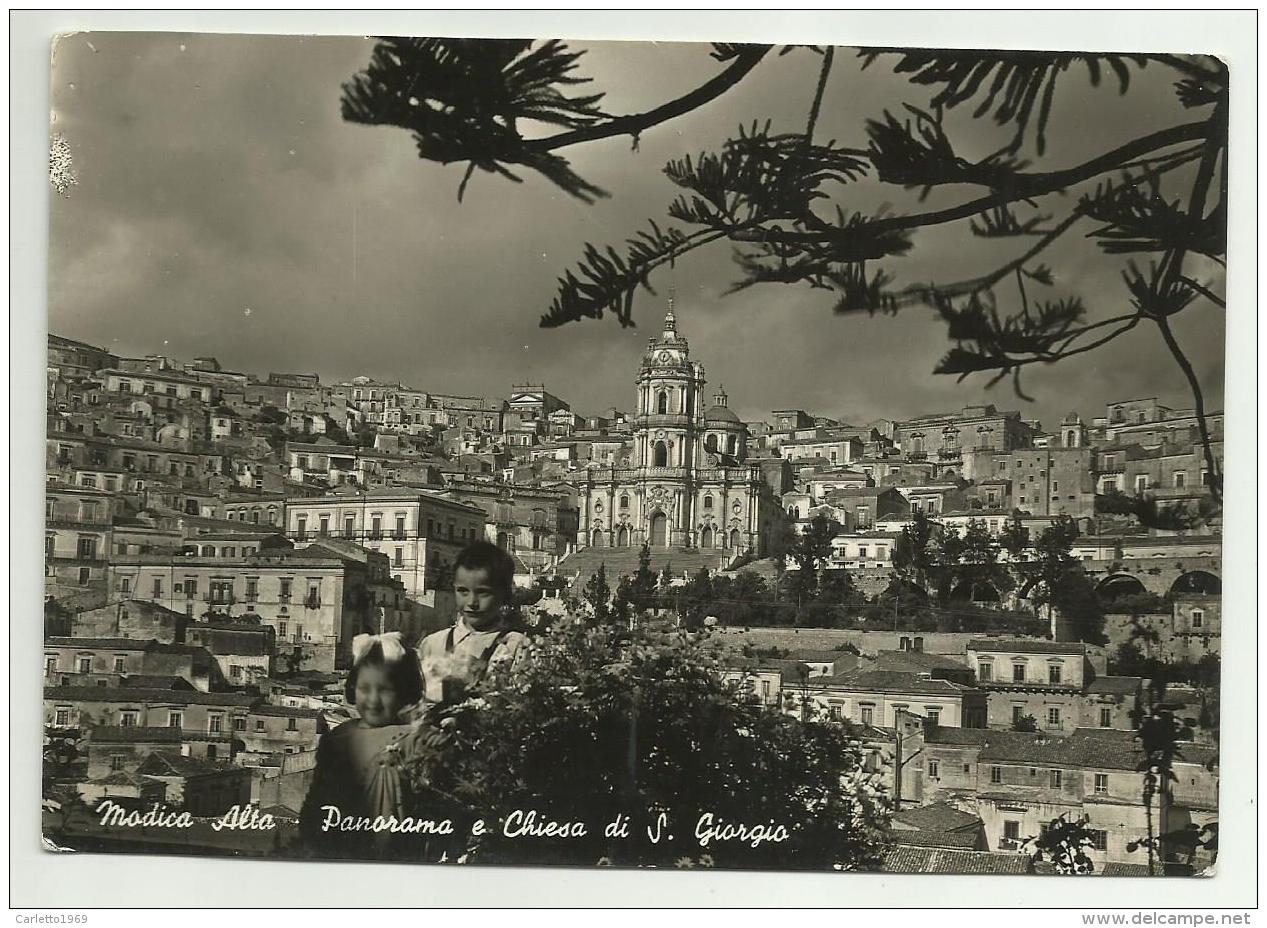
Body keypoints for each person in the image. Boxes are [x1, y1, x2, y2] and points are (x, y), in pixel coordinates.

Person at [298, 631, 422, 859]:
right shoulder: (337, 738)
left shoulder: (413, 739)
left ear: (405, 693)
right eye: (365, 689)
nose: (373, 700)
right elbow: (317, 799)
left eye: (385, 690)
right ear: (353, 689)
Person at [418, 541, 526, 706]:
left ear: (504, 594)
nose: (472, 602)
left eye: (483, 592)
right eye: (463, 591)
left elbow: (523, 706)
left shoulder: (516, 646)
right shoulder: (433, 644)